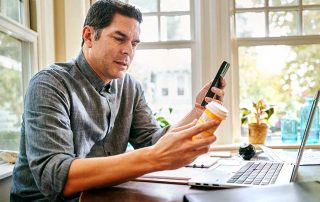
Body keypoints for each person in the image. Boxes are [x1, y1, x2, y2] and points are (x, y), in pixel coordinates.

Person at [10, 0, 226, 201]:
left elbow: (153, 141)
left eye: (134, 43)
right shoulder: (49, 84)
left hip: (103, 195)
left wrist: (198, 111)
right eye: (119, 38)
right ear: (88, 35)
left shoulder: (130, 86)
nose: (128, 51)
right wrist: (153, 158)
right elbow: (54, 177)